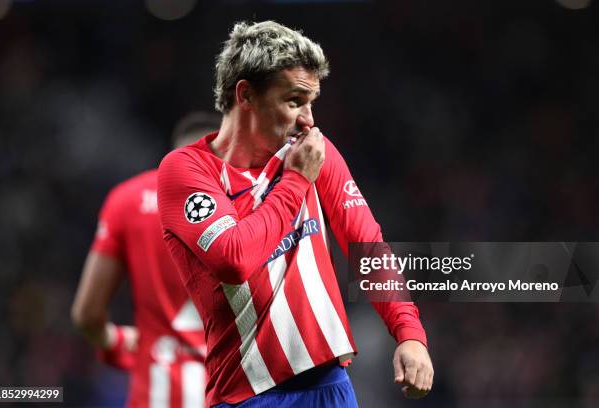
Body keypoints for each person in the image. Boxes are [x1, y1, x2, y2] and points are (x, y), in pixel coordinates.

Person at [157, 21, 433, 407]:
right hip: (247, 395)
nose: (309, 119)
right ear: (246, 95)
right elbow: (233, 259)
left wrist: (409, 332)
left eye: (312, 102)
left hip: (328, 386)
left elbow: (367, 244)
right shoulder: (187, 169)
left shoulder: (313, 151)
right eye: (294, 101)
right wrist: (296, 181)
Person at [71, 111, 222, 407]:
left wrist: (116, 342)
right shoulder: (247, 201)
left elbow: (86, 314)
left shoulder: (127, 199)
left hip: (154, 393)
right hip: (226, 394)